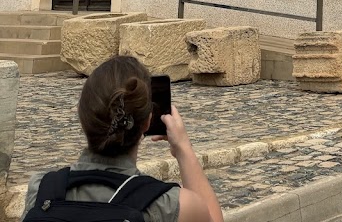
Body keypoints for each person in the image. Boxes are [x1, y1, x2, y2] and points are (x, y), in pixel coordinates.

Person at [25, 56, 223, 222]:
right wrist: (183, 149)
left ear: (83, 118)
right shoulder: (171, 206)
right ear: (147, 122)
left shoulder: (41, 189)